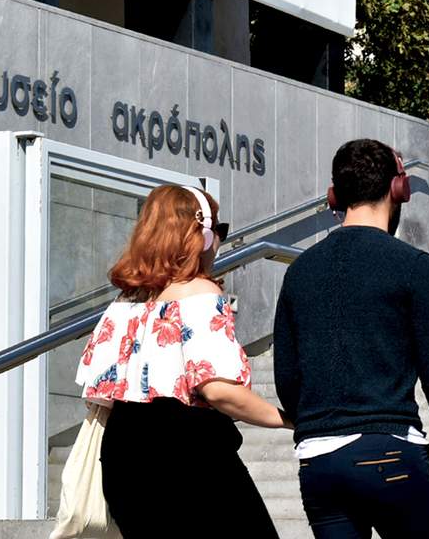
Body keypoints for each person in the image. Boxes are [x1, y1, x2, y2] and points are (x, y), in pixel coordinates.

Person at [273, 139, 429, 539]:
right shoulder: (413, 266)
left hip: (318, 464)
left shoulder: (299, 272)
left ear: (334, 196)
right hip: (390, 453)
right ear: (398, 189)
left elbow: (286, 377)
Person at [73, 183, 290, 538]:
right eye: (218, 230)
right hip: (187, 455)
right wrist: (286, 420)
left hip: (123, 454)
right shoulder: (200, 293)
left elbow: (102, 386)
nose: (219, 240)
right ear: (199, 236)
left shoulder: (127, 301)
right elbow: (219, 390)